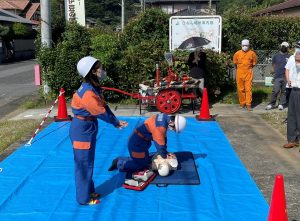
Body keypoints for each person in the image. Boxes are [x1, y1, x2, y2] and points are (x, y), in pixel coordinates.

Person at [69, 56, 128, 205]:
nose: (103, 70)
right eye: (100, 67)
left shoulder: (94, 87)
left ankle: (89, 190)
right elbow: (100, 111)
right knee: (83, 165)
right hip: (82, 130)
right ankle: (84, 199)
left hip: (88, 128)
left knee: (88, 162)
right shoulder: (88, 93)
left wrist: (115, 120)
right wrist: (114, 122)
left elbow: (103, 105)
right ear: (93, 72)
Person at [108, 113, 187, 176]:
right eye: (174, 128)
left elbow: (163, 137)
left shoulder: (165, 117)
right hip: (136, 145)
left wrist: (165, 152)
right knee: (140, 165)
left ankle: (129, 159)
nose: (172, 130)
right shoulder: (160, 127)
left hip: (141, 143)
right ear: (172, 123)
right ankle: (119, 163)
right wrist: (165, 156)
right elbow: (160, 144)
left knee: (145, 159)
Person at [233, 39, 257, 111]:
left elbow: (254, 63)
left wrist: (248, 69)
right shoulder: (237, 53)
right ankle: (242, 103)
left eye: (246, 45)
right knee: (240, 89)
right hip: (239, 72)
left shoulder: (252, 53)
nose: (245, 47)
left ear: (249, 46)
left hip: (248, 72)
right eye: (243, 45)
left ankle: (248, 104)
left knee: (248, 89)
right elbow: (235, 63)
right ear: (241, 45)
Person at [265, 42, 291, 110]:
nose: (284, 47)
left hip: (286, 76)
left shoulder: (289, 56)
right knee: (275, 91)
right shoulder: (276, 56)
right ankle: (271, 104)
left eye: (285, 46)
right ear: (281, 46)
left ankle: (281, 104)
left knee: (284, 91)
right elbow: (273, 64)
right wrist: (272, 70)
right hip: (277, 76)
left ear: (287, 48)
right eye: (283, 46)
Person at [283, 50, 300, 149]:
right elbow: (288, 69)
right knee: (292, 115)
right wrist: (288, 80)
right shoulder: (292, 59)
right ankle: (292, 140)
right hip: (294, 90)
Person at [285, 41, 300, 107]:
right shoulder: (291, 58)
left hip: (298, 86)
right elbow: (287, 69)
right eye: (296, 46)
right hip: (291, 85)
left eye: (298, 47)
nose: (297, 48)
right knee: (291, 103)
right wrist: (288, 80)